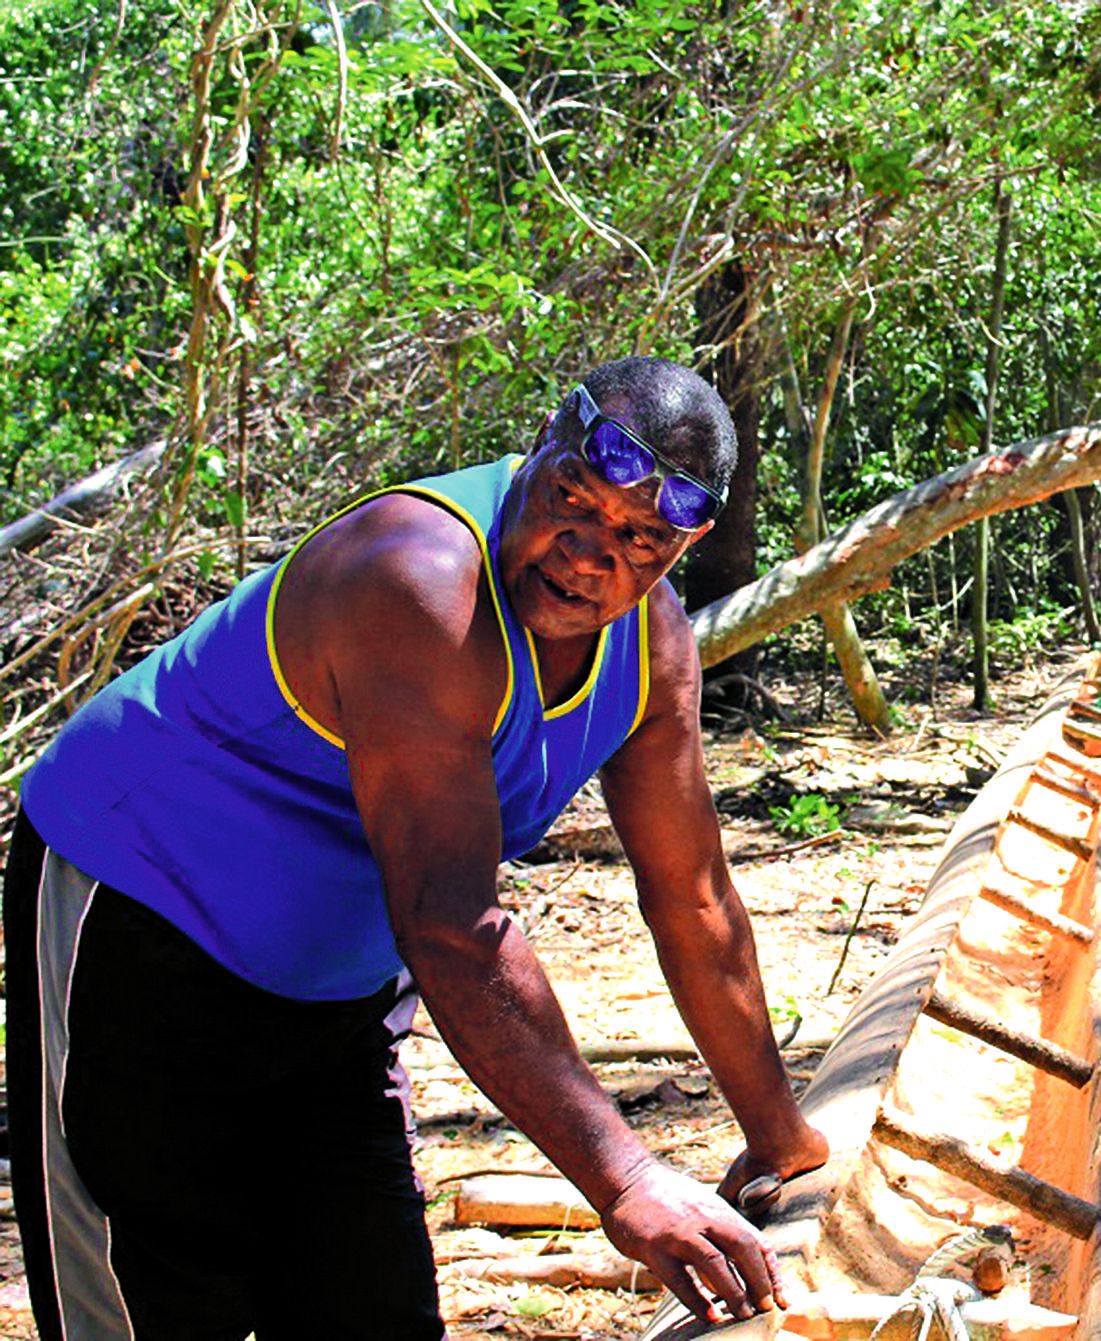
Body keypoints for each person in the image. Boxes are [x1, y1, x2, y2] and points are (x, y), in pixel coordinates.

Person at [5, 357, 829, 1339]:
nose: (585, 555)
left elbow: (691, 896)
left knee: (373, 1307)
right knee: (161, 1294)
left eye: (636, 539)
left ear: (678, 549)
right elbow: (451, 927)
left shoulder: (650, 647)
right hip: (142, 918)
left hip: (338, 981)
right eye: (572, 501)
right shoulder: (418, 580)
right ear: (540, 445)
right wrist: (627, 1178)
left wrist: (778, 1137)